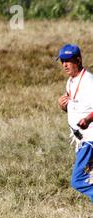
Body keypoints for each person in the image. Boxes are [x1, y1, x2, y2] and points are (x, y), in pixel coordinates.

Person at [57, 44, 93, 201]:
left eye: (68, 61)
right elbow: (78, 107)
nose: (64, 65)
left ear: (78, 60)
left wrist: (87, 119)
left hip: (90, 140)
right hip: (80, 140)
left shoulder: (88, 82)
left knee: (78, 180)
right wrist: (63, 106)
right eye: (62, 61)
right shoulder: (71, 81)